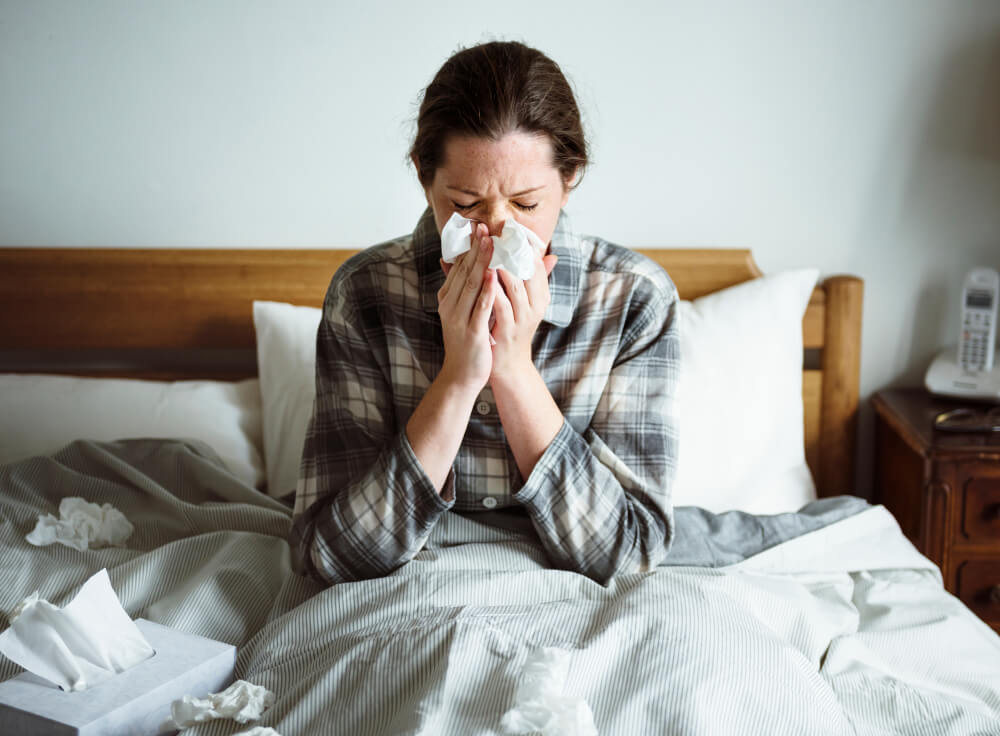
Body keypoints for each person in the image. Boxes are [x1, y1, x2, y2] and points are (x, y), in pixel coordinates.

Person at [291, 40, 679, 586]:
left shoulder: (632, 300)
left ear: (570, 179)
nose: (496, 233)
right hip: (408, 600)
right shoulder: (366, 295)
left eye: (526, 204)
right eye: (466, 205)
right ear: (425, 180)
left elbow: (629, 554)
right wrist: (458, 379)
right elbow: (327, 557)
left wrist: (514, 371)